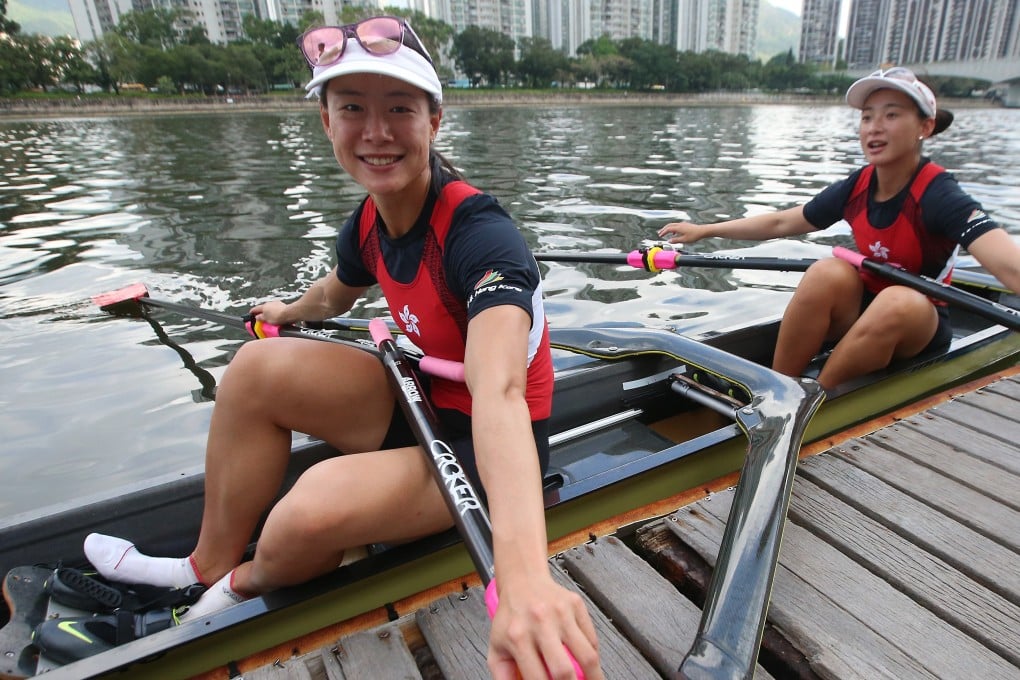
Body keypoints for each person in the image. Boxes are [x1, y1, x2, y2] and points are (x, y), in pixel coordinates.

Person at [81, 16, 602, 679]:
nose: (376, 132)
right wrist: (284, 313)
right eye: (352, 108)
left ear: (434, 122)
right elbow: (335, 293)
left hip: (487, 450)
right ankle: (200, 562)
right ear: (327, 123)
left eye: (399, 109)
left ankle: (236, 586)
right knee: (255, 370)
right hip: (421, 404)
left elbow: (498, 387)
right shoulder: (367, 223)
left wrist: (524, 577)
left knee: (309, 508)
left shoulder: (482, 236)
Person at [658, 67, 1020, 389]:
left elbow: (1007, 264)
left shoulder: (939, 193)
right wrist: (705, 230)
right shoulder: (857, 185)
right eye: (867, 117)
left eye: (891, 115)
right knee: (826, 272)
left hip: (918, 323)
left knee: (895, 300)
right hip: (864, 309)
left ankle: (812, 403)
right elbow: (784, 221)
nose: (875, 127)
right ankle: (777, 388)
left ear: (925, 127)